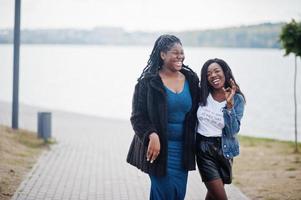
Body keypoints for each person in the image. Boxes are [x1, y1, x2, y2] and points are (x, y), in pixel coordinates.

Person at [126, 34, 199, 200]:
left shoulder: (192, 80)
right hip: (157, 150)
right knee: (163, 193)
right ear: (163, 54)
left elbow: (202, 108)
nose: (180, 56)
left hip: (183, 150)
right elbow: (137, 117)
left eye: (182, 52)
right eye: (175, 52)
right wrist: (151, 134)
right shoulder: (147, 82)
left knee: (177, 194)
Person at [196, 58, 245, 200]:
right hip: (203, 149)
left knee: (213, 195)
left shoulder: (237, 99)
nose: (213, 75)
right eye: (209, 73)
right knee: (220, 197)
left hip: (225, 150)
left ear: (225, 72)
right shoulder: (201, 94)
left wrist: (229, 106)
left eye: (217, 71)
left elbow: (232, 131)